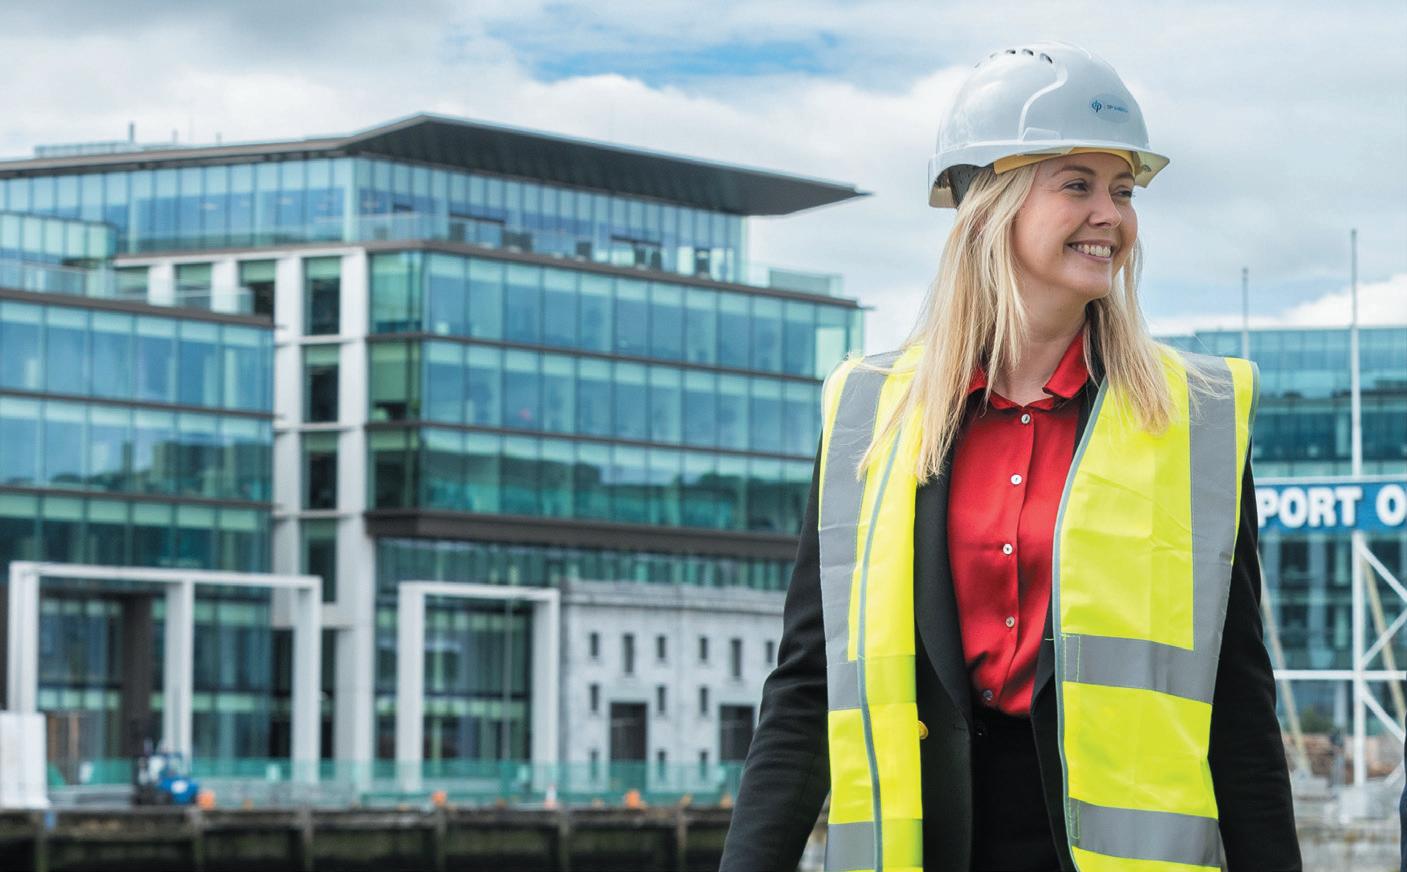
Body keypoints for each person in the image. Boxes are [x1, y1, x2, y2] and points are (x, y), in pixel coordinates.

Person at [720, 42, 1300, 872]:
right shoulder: (868, 413)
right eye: (1077, 184)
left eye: (1123, 190)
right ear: (991, 203)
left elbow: (1236, 699)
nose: (1111, 215)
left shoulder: (1193, 417)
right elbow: (807, 688)